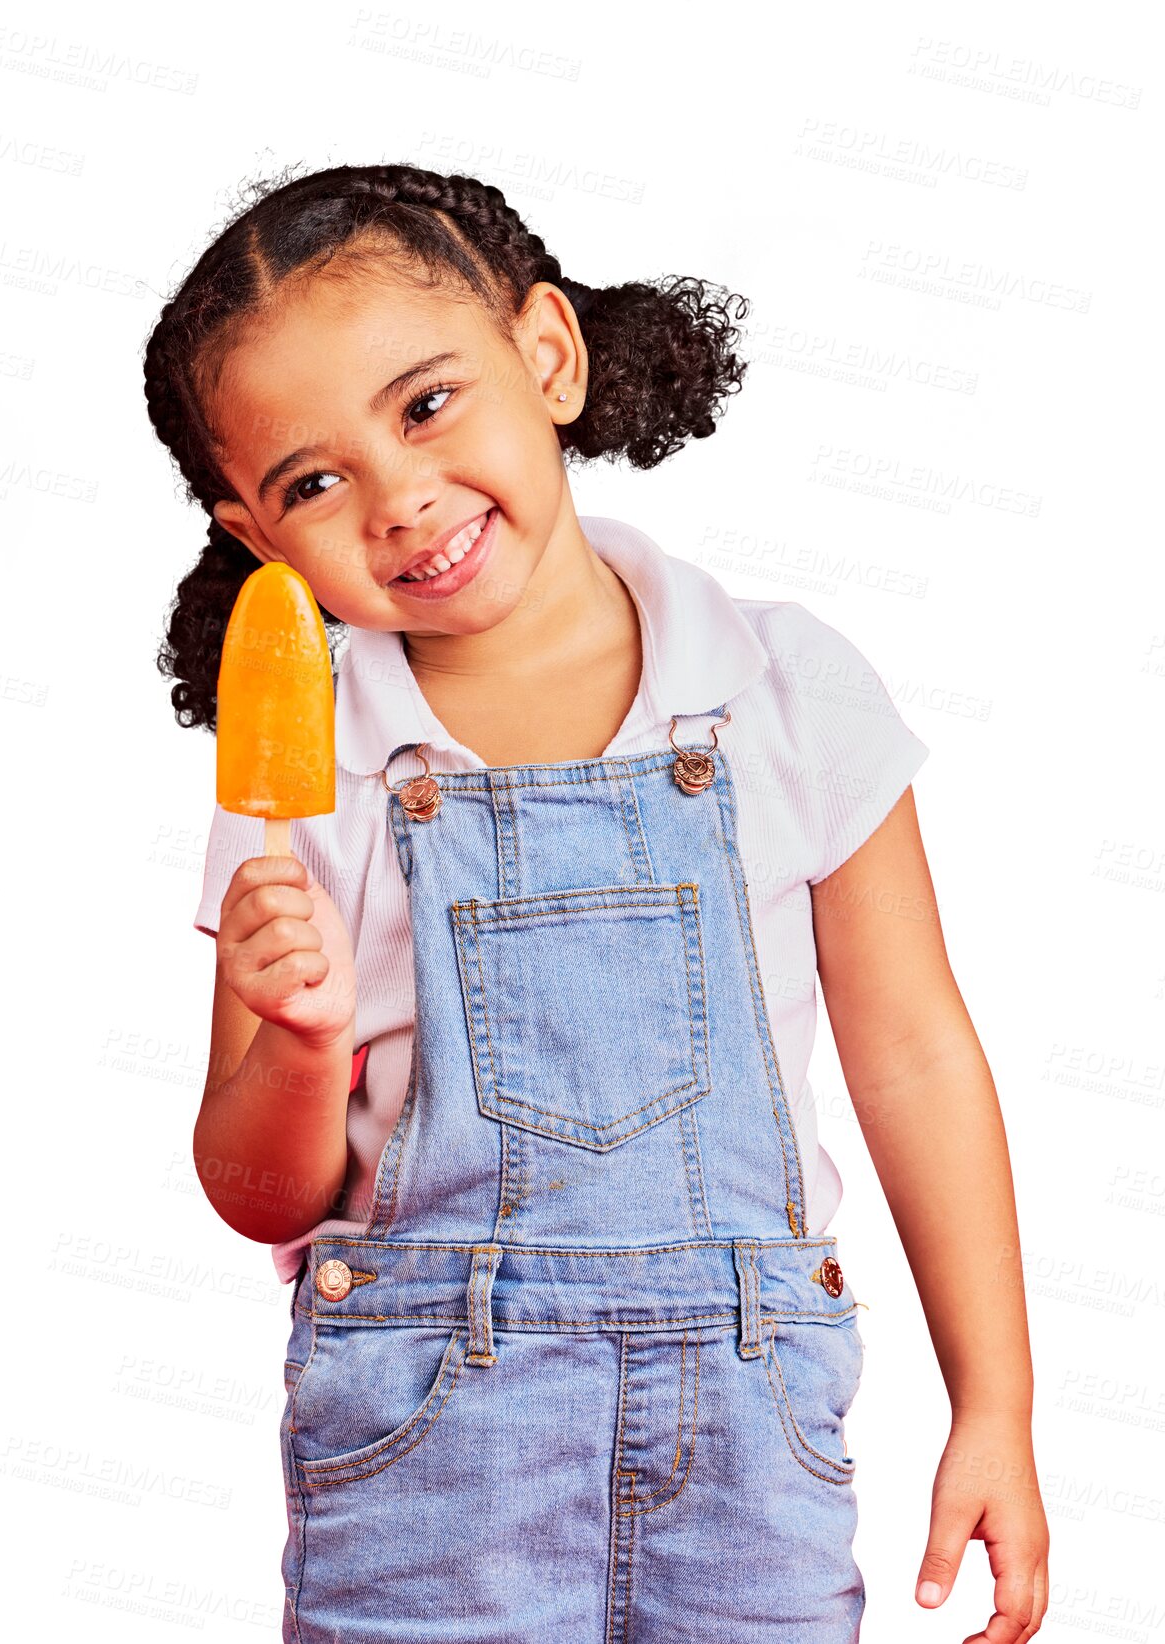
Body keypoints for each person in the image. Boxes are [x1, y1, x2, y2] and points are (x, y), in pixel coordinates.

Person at [146, 161, 1049, 1642]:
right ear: (257, 539)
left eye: (425, 404)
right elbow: (256, 1195)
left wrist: (996, 1402)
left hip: (751, 1452)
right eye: (314, 482)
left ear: (546, 355)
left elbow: (915, 1057)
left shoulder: (783, 688)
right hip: (423, 1466)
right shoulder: (301, 781)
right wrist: (301, 1047)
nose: (401, 497)